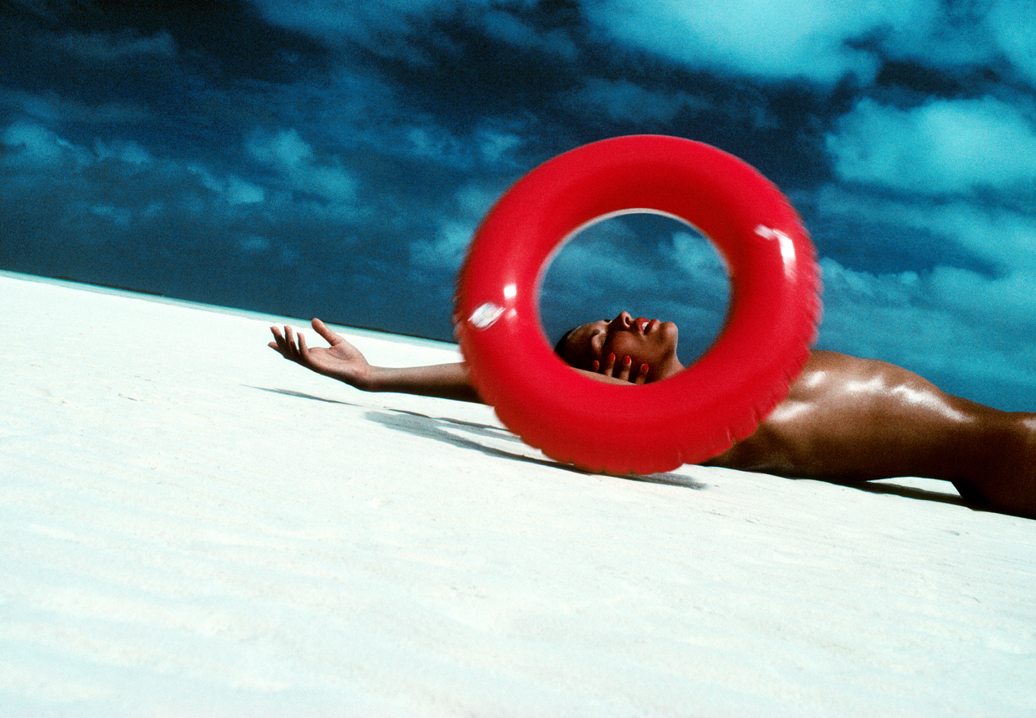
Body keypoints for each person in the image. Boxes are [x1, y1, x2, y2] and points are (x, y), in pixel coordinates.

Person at [268, 314, 1035, 519]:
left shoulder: (724, 378)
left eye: (605, 316)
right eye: (600, 336)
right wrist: (377, 379)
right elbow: (515, 381)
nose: (621, 317)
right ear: (611, 375)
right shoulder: (700, 414)